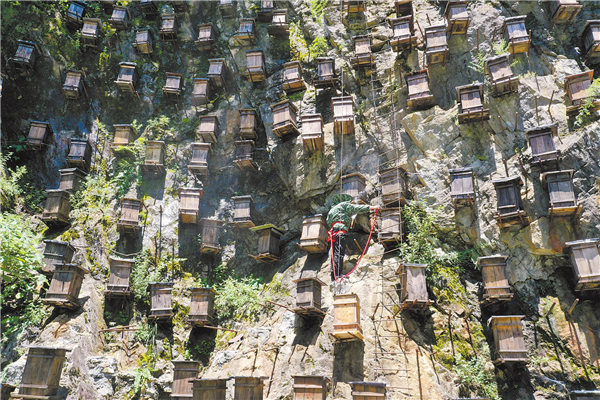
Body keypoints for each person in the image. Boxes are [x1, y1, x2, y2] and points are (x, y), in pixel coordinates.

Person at [326, 193, 379, 281]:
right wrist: (372, 207)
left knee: (335, 254)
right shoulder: (344, 205)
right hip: (341, 232)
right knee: (339, 254)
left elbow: (328, 222)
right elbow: (357, 208)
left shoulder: (332, 210)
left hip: (334, 233)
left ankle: (333, 275)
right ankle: (338, 275)